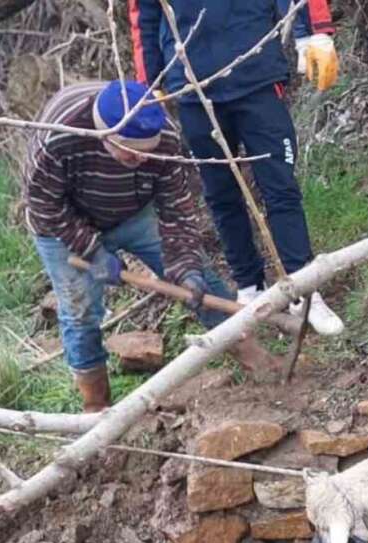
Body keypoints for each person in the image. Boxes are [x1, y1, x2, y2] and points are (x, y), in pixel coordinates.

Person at [23, 79, 281, 412]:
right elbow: (43, 205)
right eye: (128, 152)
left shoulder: (167, 139)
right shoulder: (58, 136)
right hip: (61, 224)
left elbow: (176, 210)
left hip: (132, 211)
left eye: (145, 153)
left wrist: (185, 266)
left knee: (201, 279)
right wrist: (92, 250)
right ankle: (96, 409)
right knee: (81, 311)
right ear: (105, 134)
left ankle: (259, 362)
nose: (139, 159)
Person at [130, 0, 346, 336]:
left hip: (256, 71)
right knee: (220, 194)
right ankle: (249, 287)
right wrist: (149, 80)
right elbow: (144, 13)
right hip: (192, 85)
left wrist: (313, 32)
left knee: (281, 188)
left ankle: (304, 289)